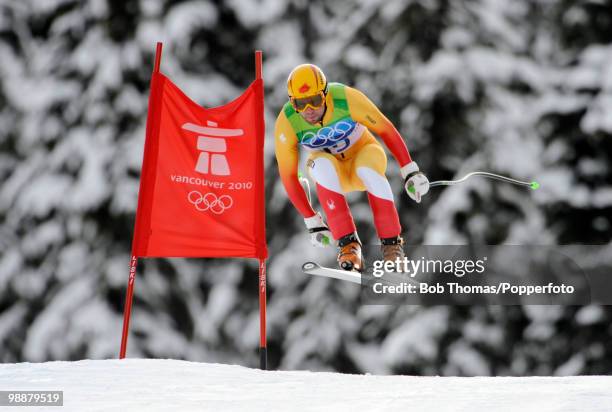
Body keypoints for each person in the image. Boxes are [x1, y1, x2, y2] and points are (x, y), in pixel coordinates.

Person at [274, 64, 429, 272]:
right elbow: (288, 176)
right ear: (292, 102)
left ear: (326, 94)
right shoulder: (288, 122)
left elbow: (386, 129)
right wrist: (312, 220)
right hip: (334, 175)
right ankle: (348, 246)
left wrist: (409, 170)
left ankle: (392, 247)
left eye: (314, 101)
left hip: (364, 155)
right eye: (300, 104)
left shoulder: (345, 99)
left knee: (367, 170)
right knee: (319, 165)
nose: (308, 110)